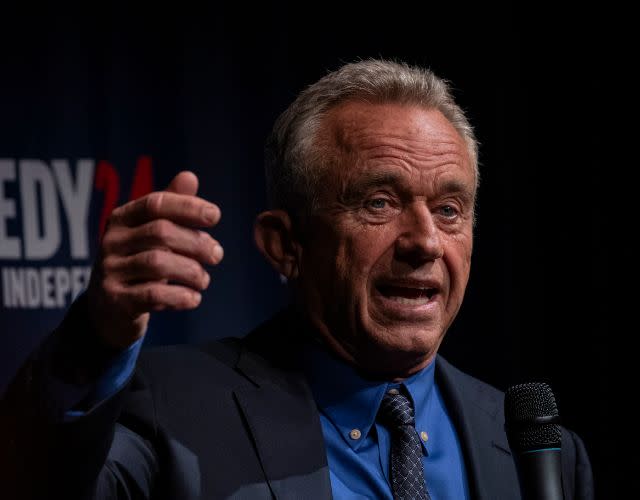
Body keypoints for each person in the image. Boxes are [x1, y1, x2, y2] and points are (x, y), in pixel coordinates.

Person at [1, 59, 594, 499]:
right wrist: (95, 337)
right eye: (380, 203)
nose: (425, 242)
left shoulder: (541, 450)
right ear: (286, 245)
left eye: (449, 209)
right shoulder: (168, 410)